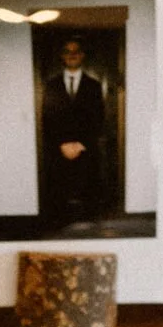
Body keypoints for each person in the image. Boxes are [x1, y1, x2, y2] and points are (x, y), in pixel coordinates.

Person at [38, 35, 107, 229]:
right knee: (60, 191)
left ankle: (87, 229)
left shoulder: (94, 85)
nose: (72, 55)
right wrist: (62, 144)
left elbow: (98, 118)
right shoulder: (51, 85)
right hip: (59, 148)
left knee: (87, 190)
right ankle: (61, 227)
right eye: (67, 52)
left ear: (82, 55)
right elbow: (47, 118)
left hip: (85, 147)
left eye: (76, 51)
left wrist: (80, 144)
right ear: (62, 56)